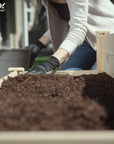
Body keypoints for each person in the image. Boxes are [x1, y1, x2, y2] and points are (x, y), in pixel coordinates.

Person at [26, 0, 114, 74]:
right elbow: (60, 25)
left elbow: (78, 30)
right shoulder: (47, 1)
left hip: (110, 39)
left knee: (98, 76)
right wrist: (38, 44)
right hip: (89, 42)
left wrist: (51, 62)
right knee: (68, 73)